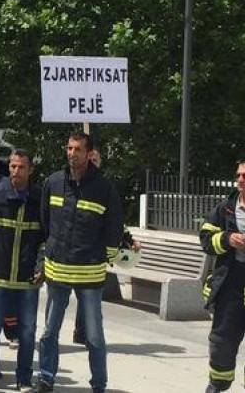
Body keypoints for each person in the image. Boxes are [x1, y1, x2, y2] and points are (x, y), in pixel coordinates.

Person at [37, 132, 123, 393]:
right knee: (50, 332)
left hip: (89, 274)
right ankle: (46, 378)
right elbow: (44, 223)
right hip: (57, 270)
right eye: (69, 148)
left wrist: (105, 256)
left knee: (94, 337)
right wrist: (46, 254)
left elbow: (114, 227)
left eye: (77, 149)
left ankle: (99, 384)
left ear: (89, 153)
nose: (72, 153)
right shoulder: (53, 182)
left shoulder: (104, 188)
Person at [0, 150, 43, 392]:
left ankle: (24, 379)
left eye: (21, 167)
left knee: (27, 332)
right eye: (13, 167)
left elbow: (46, 238)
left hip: (27, 278)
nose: (16, 171)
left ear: (30, 170)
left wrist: (41, 265)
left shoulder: (39, 199)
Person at [71, 147, 141, 346]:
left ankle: (84, 332)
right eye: (90, 158)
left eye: (96, 159)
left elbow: (114, 219)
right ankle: (80, 331)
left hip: (95, 252)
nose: (92, 162)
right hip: (73, 250)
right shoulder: (73, 184)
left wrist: (127, 240)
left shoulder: (105, 187)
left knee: (88, 294)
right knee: (73, 295)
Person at [200, 160, 245, 393]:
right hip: (229, 286)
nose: (240, 180)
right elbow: (205, 238)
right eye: (238, 175)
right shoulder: (225, 208)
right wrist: (226, 239)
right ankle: (217, 385)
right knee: (222, 341)